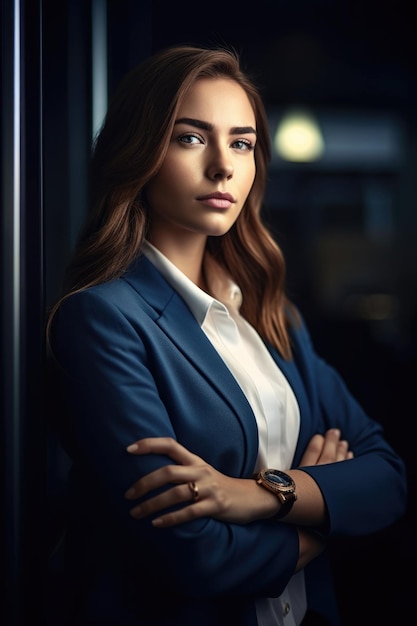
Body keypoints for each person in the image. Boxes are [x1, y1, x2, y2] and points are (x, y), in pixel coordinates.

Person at [46, 44, 407, 626]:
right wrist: (321, 516)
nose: (224, 166)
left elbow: (387, 477)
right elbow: (196, 557)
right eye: (191, 138)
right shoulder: (103, 319)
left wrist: (258, 494)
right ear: (140, 152)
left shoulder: (271, 314)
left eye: (241, 142)